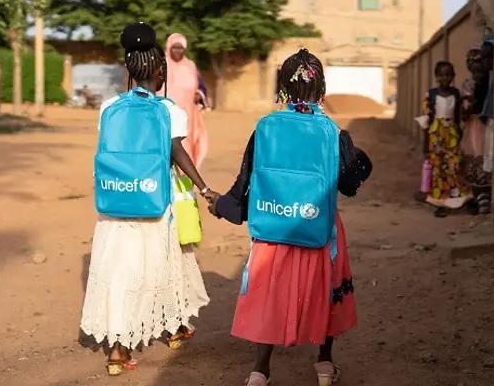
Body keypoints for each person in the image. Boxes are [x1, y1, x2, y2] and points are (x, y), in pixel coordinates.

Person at [207, 49, 373, 386]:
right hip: (319, 228)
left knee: (272, 293)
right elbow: (349, 183)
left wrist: (220, 205)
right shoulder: (332, 131)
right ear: (321, 90)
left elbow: (246, 183)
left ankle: (260, 370)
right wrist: (357, 157)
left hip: (273, 229)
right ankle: (324, 366)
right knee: (326, 291)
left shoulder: (265, 127)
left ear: (283, 88)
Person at [79, 22, 216, 376]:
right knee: (163, 263)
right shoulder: (169, 110)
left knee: (119, 269)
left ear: (128, 69)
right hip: (155, 201)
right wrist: (204, 189)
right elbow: (177, 153)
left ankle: (117, 351)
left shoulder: (109, 107)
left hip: (115, 202)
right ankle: (172, 328)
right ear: (159, 71)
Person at [419, 61, 465, 217]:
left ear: (453, 76)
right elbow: (426, 121)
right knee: (438, 169)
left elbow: (458, 118)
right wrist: (426, 145)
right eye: (442, 75)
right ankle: (439, 203)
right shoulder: (431, 95)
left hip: (451, 133)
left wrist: (460, 135)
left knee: (454, 165)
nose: (445, 78)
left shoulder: (456, 94)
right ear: (436, 77)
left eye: (449, 75)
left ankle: (455, 199)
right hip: (435, 135)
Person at [162, 33, 210, 169]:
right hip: (165, 115)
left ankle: (184, 180)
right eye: (174, 48)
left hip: (187, 116)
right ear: (168, 47)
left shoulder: (190, 66)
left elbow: (200, 87)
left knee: (185, 145)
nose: (178, 51)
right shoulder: (161, 65)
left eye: (181, 48)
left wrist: (199, 94)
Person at [460, 48, 491, 214]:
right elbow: (465, 110)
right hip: (473, 126)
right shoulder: (467, 84)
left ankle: (484, 196)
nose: (477, 74)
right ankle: (474, 196)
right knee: (473, 158)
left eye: (480, 70)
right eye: (474, 70)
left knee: (484, 157)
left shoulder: (489, 83)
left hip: (484, 125)